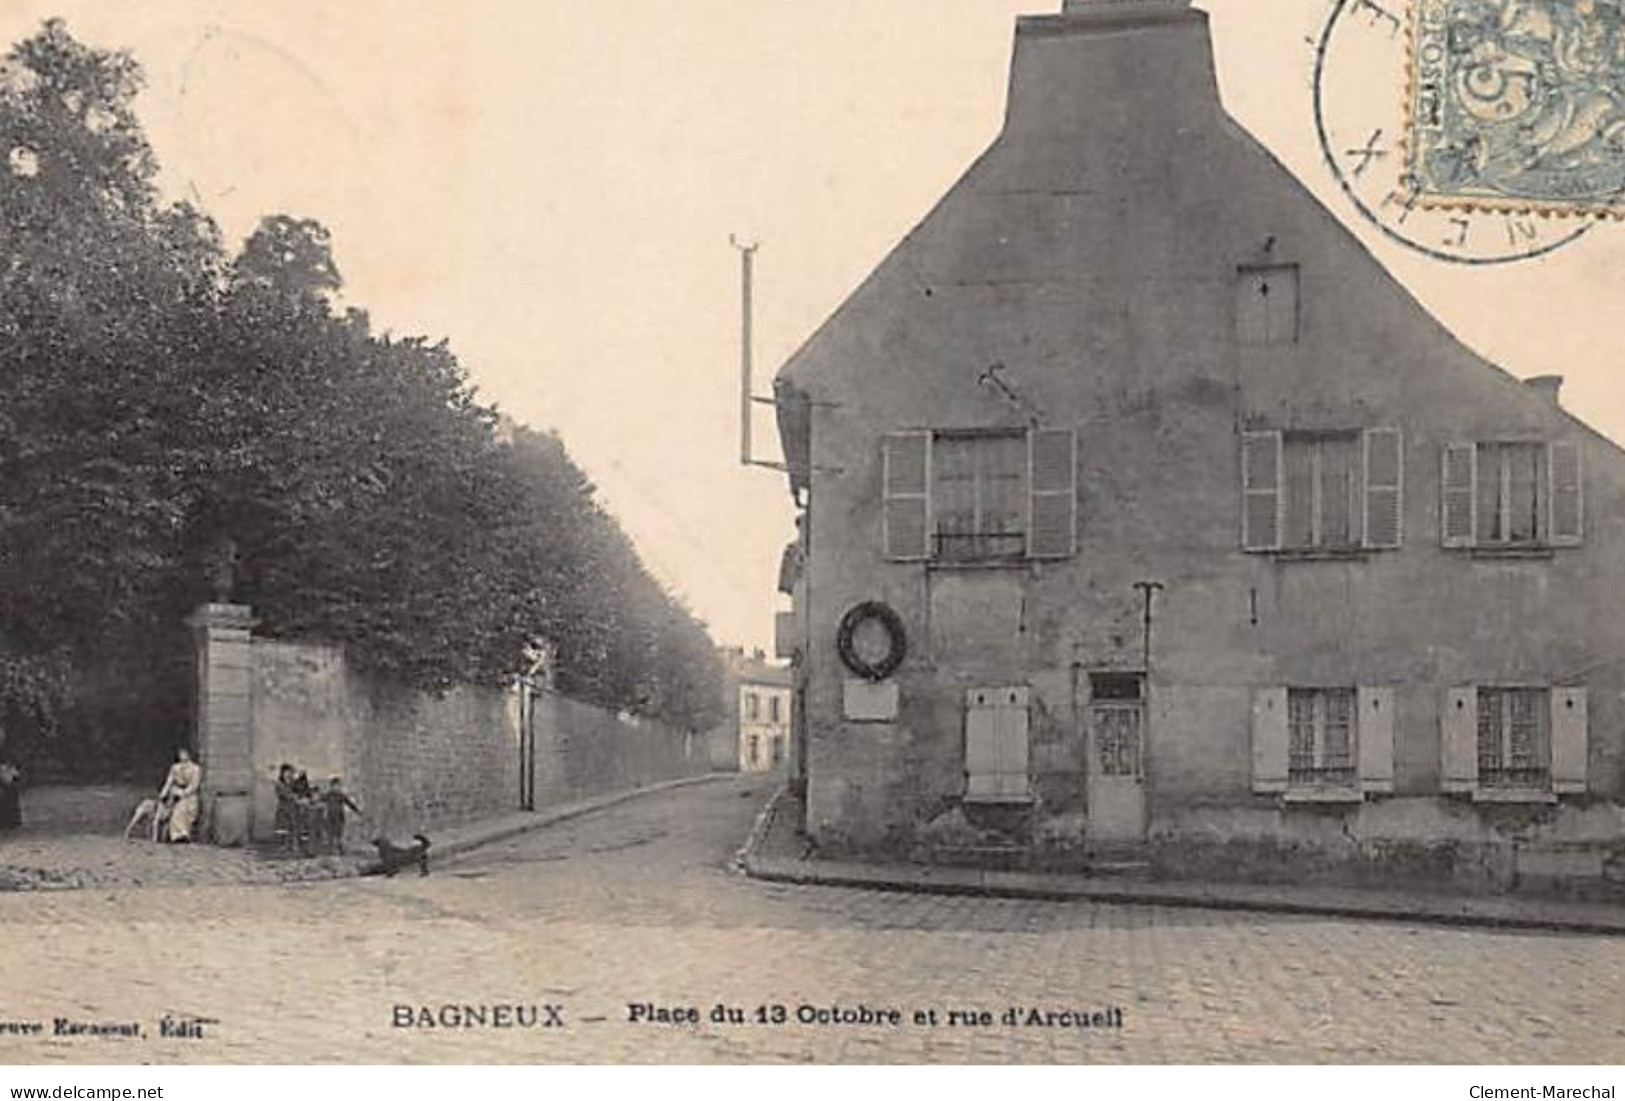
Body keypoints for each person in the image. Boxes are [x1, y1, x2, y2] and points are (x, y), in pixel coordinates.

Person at [158, 747, 203, 843]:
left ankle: (184, 834)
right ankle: (175, 835)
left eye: (185, 753)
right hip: (176, 794)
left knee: (184, 809)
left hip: (189, 796)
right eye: (181, 753)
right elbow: (169, 781)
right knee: (174, 810)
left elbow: (194, 785)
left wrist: (183, 793)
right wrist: (164, 793)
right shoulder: (175, 768)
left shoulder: (195, 769)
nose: (182, 755)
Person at [320, 778, 362, 854]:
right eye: (335, 786)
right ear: (331, 786)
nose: (337, 787)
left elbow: (349, 803)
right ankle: (330, 850)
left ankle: (340, 850)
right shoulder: (328, 795)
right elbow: (319, 799)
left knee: (339, 834)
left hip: (339, 817)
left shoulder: (341, 795)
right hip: (330, 817)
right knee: (330, 834)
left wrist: (357, 811)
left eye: (338, 786)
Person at [0, 758, 21, 831]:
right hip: (5, 789)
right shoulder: (4, 769)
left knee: (11, 807)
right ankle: (6, 823)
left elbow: (16, 777)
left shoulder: (11, 769)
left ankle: (11, 823)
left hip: (10, 790)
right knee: (5, 807)